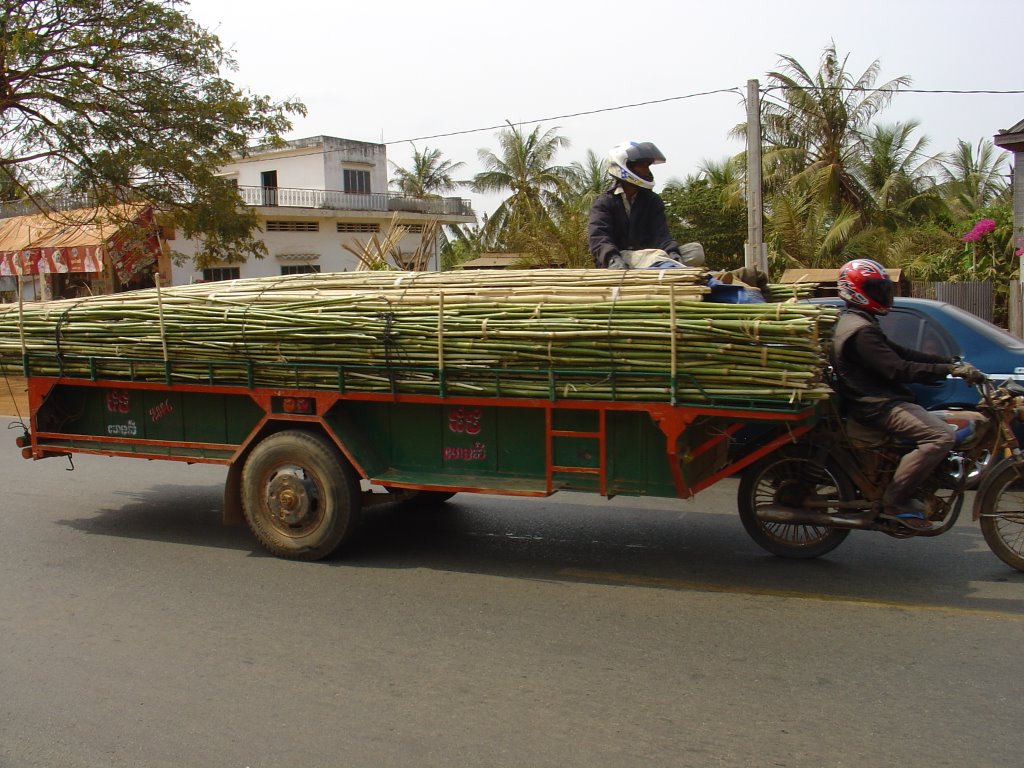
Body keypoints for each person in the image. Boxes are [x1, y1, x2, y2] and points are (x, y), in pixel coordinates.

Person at [830, 259, 984, 530]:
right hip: (875, 405)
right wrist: (946, 369)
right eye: (875, 288)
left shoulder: (861, 322)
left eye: (882, 288)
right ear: (854, 290)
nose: (882, 294)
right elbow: (897, 368)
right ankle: (896, 500)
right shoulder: (860, 331)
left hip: (879, 399)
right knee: (940, 436)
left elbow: (903, 352)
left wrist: (950, 363)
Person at [587, 141, 705, 270]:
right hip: (620, 258)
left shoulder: (652, 200)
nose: (647, 171)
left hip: (649, 255)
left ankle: (665, 264)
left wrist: (673, 252)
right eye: (642, 167)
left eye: (647, 167)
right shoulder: (604, 202)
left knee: (696, 250)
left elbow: (662, 235)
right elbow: (598, 237)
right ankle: (669, 267)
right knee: (657, 256)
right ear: (625, 167)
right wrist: (612, 258)